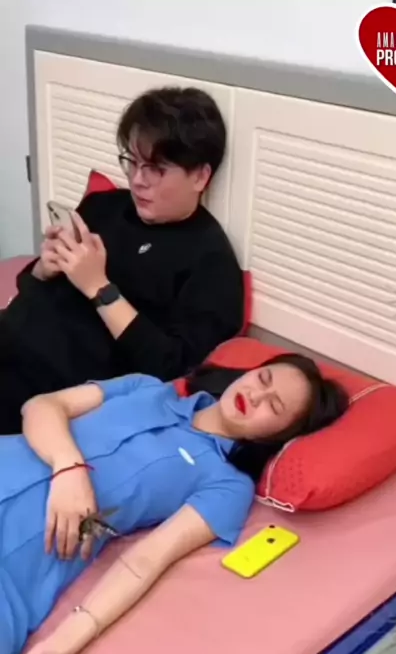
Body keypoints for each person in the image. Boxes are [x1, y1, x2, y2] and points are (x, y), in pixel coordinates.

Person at [0, 354, 348, 654]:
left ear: (277, 435)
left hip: (15, 575)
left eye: (274, 406)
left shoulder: (227, 486)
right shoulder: (145, 387)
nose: (256, 395)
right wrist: (69, 467)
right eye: (262, 379)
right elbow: (43, 406)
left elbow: (146, 560)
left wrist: (55, 649)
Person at [0, 87, 245, 435]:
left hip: (47, 394)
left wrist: (100, 289)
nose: (137, 180)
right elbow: (30, 289)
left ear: (200, 177)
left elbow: (170, 369)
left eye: (155, 168)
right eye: (132, 162)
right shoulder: (104, 206)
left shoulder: (211, 262)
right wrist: (43, 269)